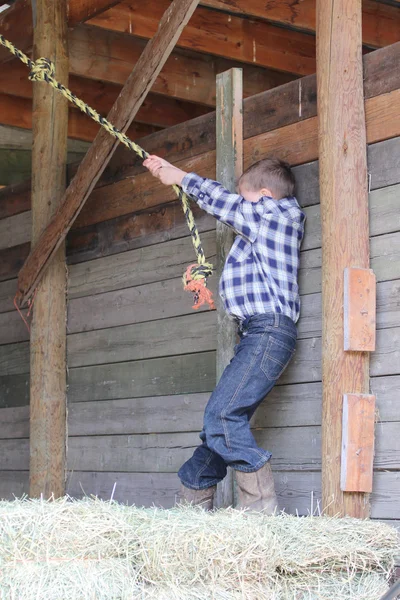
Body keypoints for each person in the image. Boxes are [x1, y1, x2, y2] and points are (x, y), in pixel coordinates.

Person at [143, 154, 306, 512]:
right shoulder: (264, 220)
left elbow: (226, 204)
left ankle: (262, 519)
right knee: (218, 429)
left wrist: (181, 177)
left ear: (264, 194)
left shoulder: (275, 215)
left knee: (221, 418)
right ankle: (192, 508)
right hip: (256, 335)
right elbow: (233, 206)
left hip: (268, 332)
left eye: (243, 196)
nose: (239, 207)